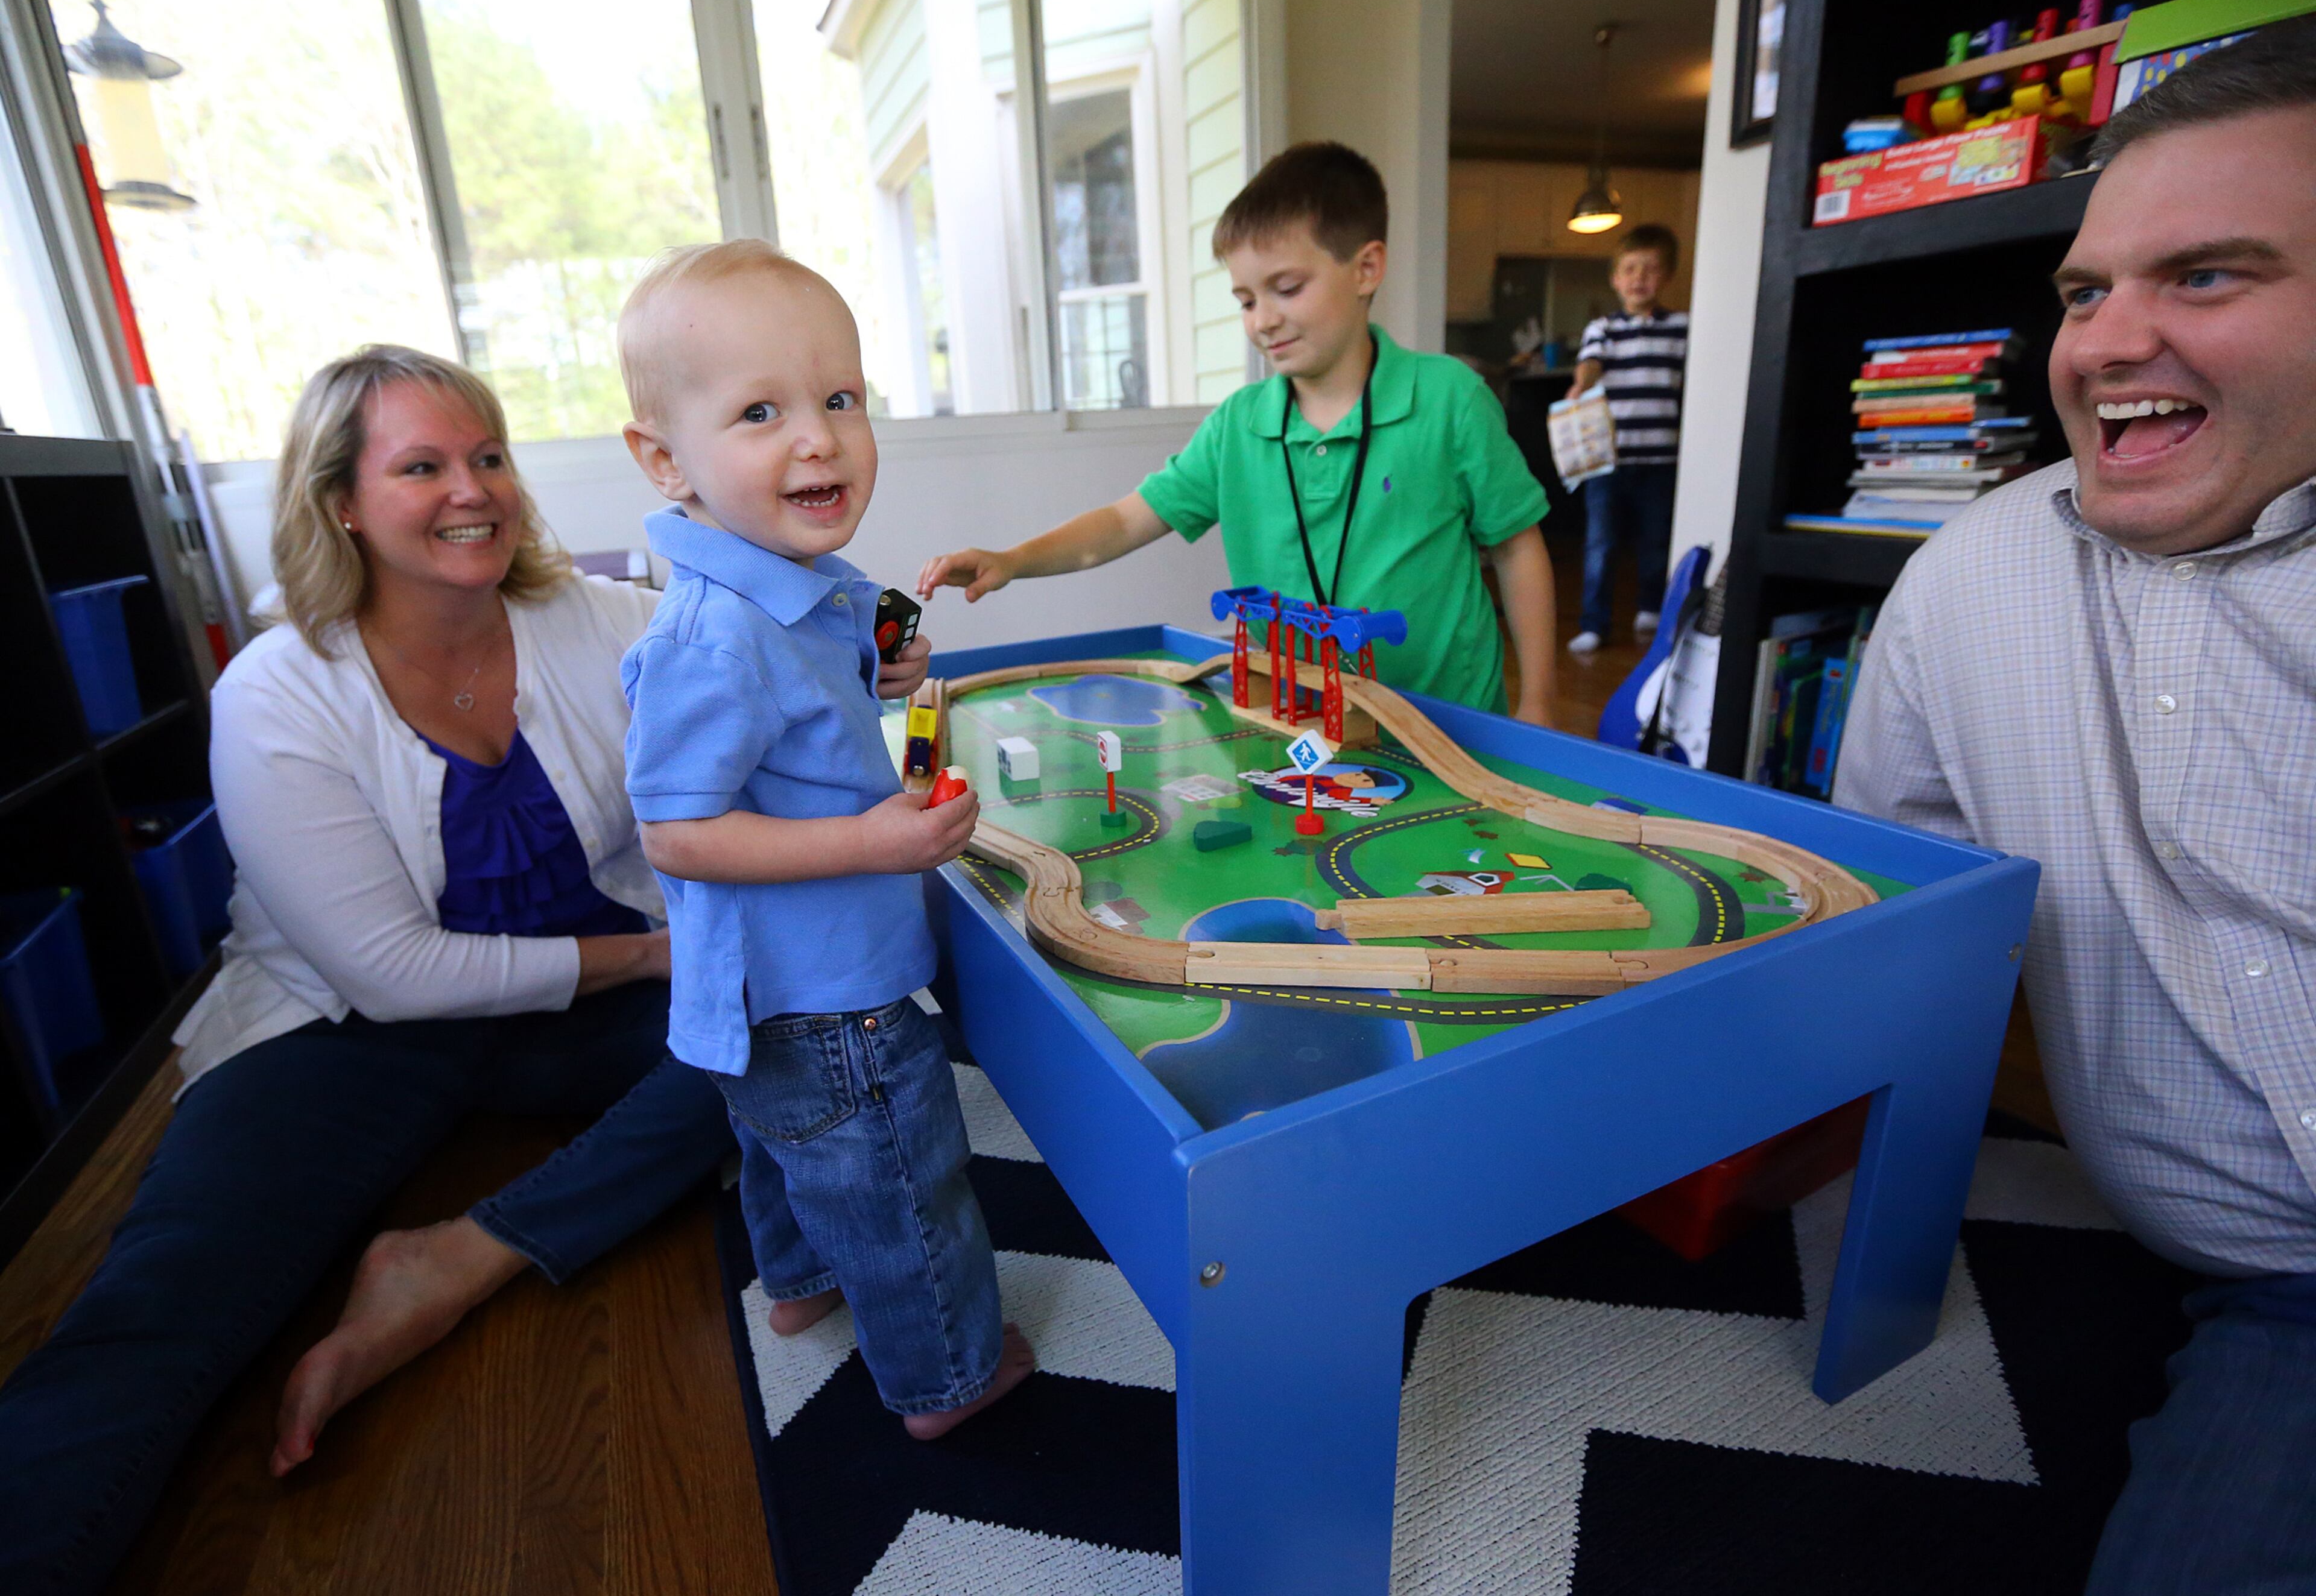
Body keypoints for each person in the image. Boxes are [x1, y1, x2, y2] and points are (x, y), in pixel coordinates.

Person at [0, 344, 938, 1596]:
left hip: (594, 1005)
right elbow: (392, 973)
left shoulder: (602, 618)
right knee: (166, 1300)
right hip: (345, 1031)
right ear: (339, 500)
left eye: (488, 456)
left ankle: (465, 1253)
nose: (472, 490)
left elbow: (783, 674)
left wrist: (877, 663)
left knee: (799, 1032)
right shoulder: (275, 690)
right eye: (423, 465)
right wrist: (671, 954)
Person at [1832, 25, 2316, 1592]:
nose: (2108, 343)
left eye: (2209, 277)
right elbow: (1879, 917)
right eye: (2086, 290)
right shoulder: (1970, 575)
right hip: (2275, 1298)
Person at [615, 241, 1034, 1440]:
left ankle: (797, 1288)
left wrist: (890, 665)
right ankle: (947, 1379)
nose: (820, 438)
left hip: (768, 999)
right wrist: (870, 838)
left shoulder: (792, 579)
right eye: (760, 411)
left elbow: (806, 708)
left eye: (840, 398)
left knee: (788, 1151)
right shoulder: (717, 632)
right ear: (665, 459)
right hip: (827, 995)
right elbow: (680, 831)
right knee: (900, 1182)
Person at [916, 141, 1558, 725]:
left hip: (1455, 729)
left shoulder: (1451, 401)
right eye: (1246, 300)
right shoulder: (1237, 426)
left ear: (1366, 269)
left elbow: (1517, 549)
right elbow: (1121, 522)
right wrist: (1012, 560)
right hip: (1298, 724)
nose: (1264, 320)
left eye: (1287, 288)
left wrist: (1538, 703)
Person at [1566, 224, 1689, 656]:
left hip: (1662, 458)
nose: (1639, 278)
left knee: (1656, 542)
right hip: (1608, 460)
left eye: (1651, 270)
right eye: (1630, 269)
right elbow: (1591, 365)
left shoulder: (1681, 328)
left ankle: (1651, 607)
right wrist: (1582, 385)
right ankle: (1594, 623)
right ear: (1616, 279)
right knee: (1601, 544)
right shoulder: (1602, 329)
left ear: (1667, 277)